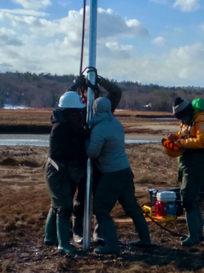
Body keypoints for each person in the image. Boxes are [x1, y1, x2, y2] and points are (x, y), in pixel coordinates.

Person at [86, 96, 151, 254]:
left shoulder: (99, 129)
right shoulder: (116, 123)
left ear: (95, 109)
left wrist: (86, 141)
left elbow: (92, 153)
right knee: (132, 207)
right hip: (125, 170)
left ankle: (111, 245)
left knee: (100, 208)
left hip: (111, 173)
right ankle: (145, 239)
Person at [69, 75, 123, 245]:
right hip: (80, 158)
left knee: (100, 198)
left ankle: (99, 233)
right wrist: (74, 86)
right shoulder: (75, 107)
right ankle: (78, 231)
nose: (89, 95)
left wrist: (99, 80)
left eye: (93, 92)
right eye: (86, 91)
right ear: (81, 93)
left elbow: (116, 91)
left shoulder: (102, 108)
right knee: (81, 198)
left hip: (101, 160)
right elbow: (63, 104)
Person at [167, 97, 204, 247]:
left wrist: (180, 142)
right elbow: (186, 135)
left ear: (187, 112)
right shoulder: (186, 120)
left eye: (181, 116)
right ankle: (196, 234)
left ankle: (193, 236)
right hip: (185, 162)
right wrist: (175, 137)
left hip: (196, 162)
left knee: (188, 197)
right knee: (190, 198)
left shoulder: (200, 119)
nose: (180, 119)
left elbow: (203, 141)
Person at [44, 91, 87, 254]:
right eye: (77, 113)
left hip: (61, 170)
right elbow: (73, 151)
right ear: (69, 113)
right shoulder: (61, 129)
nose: (80, 115)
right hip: (57, 171)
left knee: (57, 204)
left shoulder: (65, 123)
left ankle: (50, 237)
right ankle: (64, 244)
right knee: (63, 206)